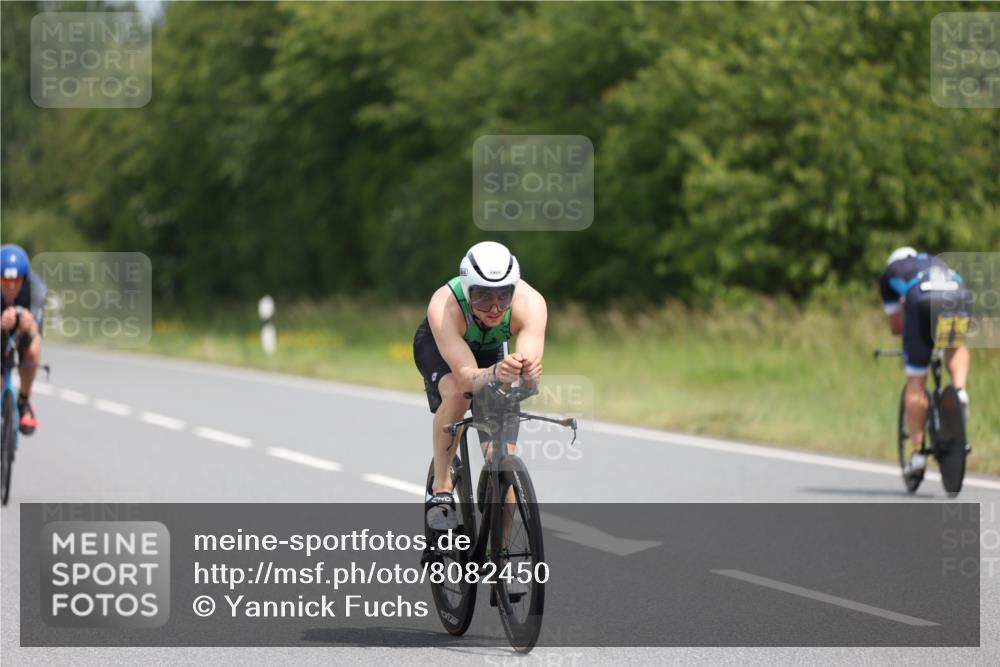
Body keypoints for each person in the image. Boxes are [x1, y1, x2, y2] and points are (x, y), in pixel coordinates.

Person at [413, 241, 547, 530]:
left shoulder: (530, 303)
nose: (496, 307)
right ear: (467, 289)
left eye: (503, 295)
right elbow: (465, 377)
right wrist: (497, 371)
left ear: (514, 289)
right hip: (443, 351)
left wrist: (529, 374)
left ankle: (495, 559)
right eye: (483, 298)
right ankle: (442, 487)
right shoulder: (445, 305)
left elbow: (527, 375)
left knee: (503, 459)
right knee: (459, 396)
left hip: (491, 352)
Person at [879, 246, 972, 475]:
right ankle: (960, 390)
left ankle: (918, 453)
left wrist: (913, 335)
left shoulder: (890, 272)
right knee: (953, 345)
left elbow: (896, 327)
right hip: (958, 293)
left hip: (920, 297)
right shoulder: (933, 260)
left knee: (916, 380)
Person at [1, 244, 47, 435]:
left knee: (32, 350)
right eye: (5, 280)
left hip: (26, 325)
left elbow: (36, 328)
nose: (11, 286)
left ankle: (23, 401)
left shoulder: (36, 287)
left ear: (25, 278)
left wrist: (28, 324)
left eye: (16, 280)